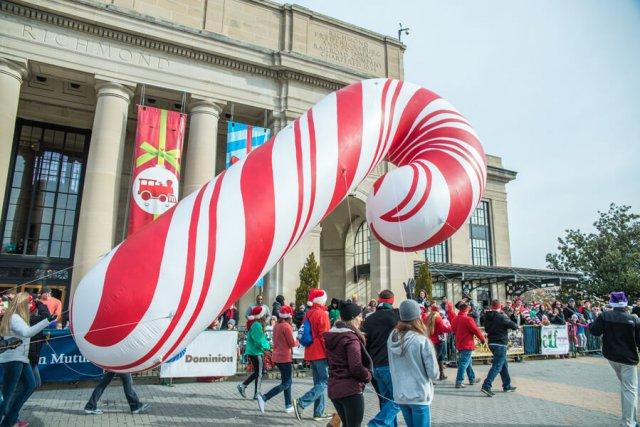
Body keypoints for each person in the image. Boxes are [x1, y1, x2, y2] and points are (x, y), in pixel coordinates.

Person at [0, 292, 55, 426]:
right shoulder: (14, 317)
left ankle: (10, 419)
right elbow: (27, 332)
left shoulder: (18, 317)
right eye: (29, 302)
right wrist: (47, 321)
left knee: (31, 385)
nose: (31, 305)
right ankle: (7, 421)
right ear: (22, 304)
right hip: (13, 359)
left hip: (21, 359)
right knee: (7, 394)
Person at [590, 292, 640, 427]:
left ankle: (631, 419)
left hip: (612, 357)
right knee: (629, 390)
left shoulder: (605, 316)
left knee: (627, 388)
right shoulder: (633, 319)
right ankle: (628, 423)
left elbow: (594, 331)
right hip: (628, 360)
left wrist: (596, 319)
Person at [388, 300, 439, 427]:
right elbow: (434, 373)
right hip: (419, 394)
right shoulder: (422, 340)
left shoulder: (392, 338)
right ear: (418, 316)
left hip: (401, 394)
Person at [324, 301, 372, 427]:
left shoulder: (332, 334)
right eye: (360, 316)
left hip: (334, 388)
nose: (362, 319)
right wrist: (367, 375)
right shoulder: (351, 338)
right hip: (350, 390)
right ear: (353, 318)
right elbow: (356, 366)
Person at [362, 290, 400, 426]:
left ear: (379, 301)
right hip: (390, 365)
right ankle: (376, 423)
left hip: (375, 366)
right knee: (399, 399)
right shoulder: (396, 316)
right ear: (392, 301)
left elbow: (365, 344)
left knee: (385, 400)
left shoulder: (369, 319)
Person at [294, 288, 331, 421]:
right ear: (322, 300)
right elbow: (324, 337)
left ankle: (318, 412)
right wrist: (329, 353)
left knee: (318, 383)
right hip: (320, 352)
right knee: (324, 382)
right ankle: (301, 402)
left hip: (310, 351)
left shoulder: (308, 313)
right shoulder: (322, 314)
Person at [257, 305, 298, 413]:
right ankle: (265, 397)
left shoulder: (277, 326)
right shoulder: (286, 326)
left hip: (277, 356)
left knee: (286, 381)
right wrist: (299, 341)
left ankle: (288, 405)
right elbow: (291, 343)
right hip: (285, 357)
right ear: (289, 316)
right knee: (287, 383)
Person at [480, 300, 518, 397]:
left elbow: (487, 329)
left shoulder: (487, 317)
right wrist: (510, 316)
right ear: (500, 306)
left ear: (492, 306)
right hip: (500, 343)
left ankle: (507, 385)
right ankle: (486, 385)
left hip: (492, 342)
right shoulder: (502, 317)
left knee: (503, 364)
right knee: (497, 366)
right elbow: (514, 326)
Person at [448, 301, 485, 388]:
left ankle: (472, 379)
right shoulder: (468, 319)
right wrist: (482, 339)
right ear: (466, 310)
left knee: (468, 362)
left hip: (459, 343)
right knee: (464, 363)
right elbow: (476, 330)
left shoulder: (455, 319)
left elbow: (452, 330)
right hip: (467, 343)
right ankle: (459, 381)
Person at [238, 305, 271, 400]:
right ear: (261, 315)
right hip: (255, 352)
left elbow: (260, 338)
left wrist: (266, 345)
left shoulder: (257, 324)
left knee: (258, 372)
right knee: (259, 373)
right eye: (264, 314)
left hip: (255, 351)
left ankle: (243, 385)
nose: (265, 316)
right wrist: (267, 346)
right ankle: (256, 393)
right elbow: (259, 340)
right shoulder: (257, 325)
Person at [84, 372, 150, 415]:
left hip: (111, 362)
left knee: (103, 384)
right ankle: (135, 406)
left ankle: (90, 406)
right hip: (119, 362)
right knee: (127, 383)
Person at [26, 295, 50, 390]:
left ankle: (12, 404)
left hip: (33, 356)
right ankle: (9, 404)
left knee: (35, 385)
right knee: (29, 385)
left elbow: (34, 332)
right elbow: (46, 317)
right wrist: (40, 304)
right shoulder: (26, 319)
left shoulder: (33, 319)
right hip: (27, 357)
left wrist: (43, 337)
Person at [424, 302, 452, 381]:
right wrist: (451, 327)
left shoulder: (428, 317)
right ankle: (429, 377)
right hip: (438, 340)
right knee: (435, 358)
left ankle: (441, 374)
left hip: (431, 339)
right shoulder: (438, 318)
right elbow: (443, 329)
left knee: (439, 357)